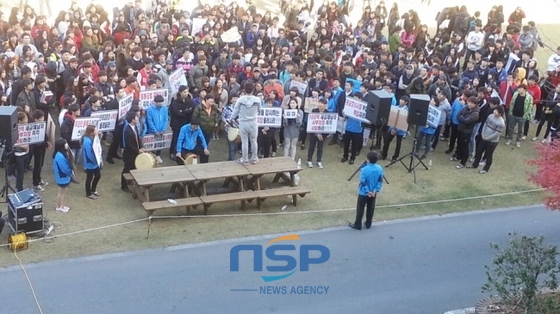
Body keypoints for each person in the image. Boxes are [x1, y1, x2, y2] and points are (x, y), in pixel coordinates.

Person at [348, 151, 384, 230]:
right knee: (370, 208)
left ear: (368, 159)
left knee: (360, 208)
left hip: (364, 193)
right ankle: (368, 223)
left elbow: (363, 182)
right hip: (373, 193)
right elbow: (380, 180)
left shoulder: (364, 169)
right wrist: (375, 191)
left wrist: (367, 191)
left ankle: (358, 224)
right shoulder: (380, 168)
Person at [229, 83, 261, 164]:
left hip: (243, 123)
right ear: (253, 90)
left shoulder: (240, 99)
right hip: (253, 122)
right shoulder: (257, 99)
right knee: (254, 141)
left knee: (245, 142)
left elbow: (235, 110)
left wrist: (231, 119)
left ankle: (245, 159)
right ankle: (254, 158)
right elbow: (260, 110)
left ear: (244, 90)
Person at [468, 105, 505, 173]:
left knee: (488, 155)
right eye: (495, 110)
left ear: (500, 114)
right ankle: (475, 164)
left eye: (496, 111)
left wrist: (488, 138)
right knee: (479, 151)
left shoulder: (501, 122)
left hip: (492, 141)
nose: (494, 112)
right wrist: (483, 134)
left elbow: (497, 133)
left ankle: (485, 169)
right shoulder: (490, 116)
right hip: (484, 137)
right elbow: (485, 124)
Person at [121, 111, 146, 192]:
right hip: (129, 154)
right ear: (132, 120)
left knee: (134, 168)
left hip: (135, 153)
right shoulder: (127, 130)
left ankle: (131, 182)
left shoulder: (134, 127)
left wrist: (141, 147)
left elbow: (138, 138)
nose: (138, 119)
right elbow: (128, 145)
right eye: (136, 117)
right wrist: (137, 150)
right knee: (127, 169)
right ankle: (124, 185)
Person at [169, 85, 194, 160]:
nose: (186, 93)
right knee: (176, 138)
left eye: (187, 92)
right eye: (184, 92)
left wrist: (183, 111)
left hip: (186, 123)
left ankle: (183, 152)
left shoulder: (190, 100)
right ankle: (173, 152)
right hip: (177, 123)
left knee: (185, 138)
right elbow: (176, 112)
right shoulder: (175, 101)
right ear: (180, 92)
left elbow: (192, 109)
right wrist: (186, 111)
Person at [455, 96, 480, 169]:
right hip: (460, 129)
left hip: (466, 132)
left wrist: (462, 118)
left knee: (465, 147)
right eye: (469, 102)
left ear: (475, 104)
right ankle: (458, 156)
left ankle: (463, 162)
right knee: (459, 144)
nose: (469, 104)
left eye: (471, 103)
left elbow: (467, 121)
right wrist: (462, 118)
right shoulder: (466, 108)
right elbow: (458, 115)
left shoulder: (475, 113)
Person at [382, 96, 409, 162]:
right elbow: (392, 119)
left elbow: (404, 122)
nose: (400, 101)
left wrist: (397, 130)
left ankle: (395, 157)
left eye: (402, 100)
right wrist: (392, 129)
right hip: (392, 129)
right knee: (386, 141)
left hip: (400, 130)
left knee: (398, 144)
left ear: (406, 102)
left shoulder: (407, 111)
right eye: (400, 99)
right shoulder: (395, 107)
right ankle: (384, 155)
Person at [146, 95, 169, 164]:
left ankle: (158, 155)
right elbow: (150, 121)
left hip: (161, 129)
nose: (160, 103)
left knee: (160, 143)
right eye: (158, 102)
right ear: (155, 102)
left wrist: (163, 129)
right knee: (152, 144)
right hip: (153, 131)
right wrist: (154, 131)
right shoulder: (150, 109)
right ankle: (153, 155)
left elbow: (166, 119)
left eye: (161, 102)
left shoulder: (164, 108)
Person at [306, 98, 329, 168]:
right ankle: (309, 160)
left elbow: (328, 125)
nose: (320, 105)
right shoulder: (314, 111)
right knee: (311, 146)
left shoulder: (328, 113)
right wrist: (316, 133)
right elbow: (312, 123)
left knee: (320, 147)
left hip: (323, 134)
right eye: (319, 103)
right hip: (314, 133)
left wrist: (322, 134)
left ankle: (319, 160)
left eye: (322, 103)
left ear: (325, 105)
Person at [31, 110, 50, 192]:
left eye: (43, 118)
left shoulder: (42, 125)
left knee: (41, 164)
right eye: (41, 118)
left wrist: (47, 143)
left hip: (42, 148)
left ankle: (39, 179)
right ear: (36, 119)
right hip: (37, 148)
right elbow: (37, 142)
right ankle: (35, 183)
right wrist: (46, 144)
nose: (42, 119)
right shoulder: (34, 127)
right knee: (37, 165)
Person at [53, 138, 73, 213]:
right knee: (61, 192)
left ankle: (61, 205)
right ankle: (58, 207)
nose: (67, 144)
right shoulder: (59, 156)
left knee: (63, 192)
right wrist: (71, 173)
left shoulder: (62, 153)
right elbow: (64, 169)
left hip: (64, 176)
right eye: (65, 143)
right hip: (62, 177)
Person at [82, 125, 102, 199]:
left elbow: (98, 149)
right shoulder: (87, 141)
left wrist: (100, 159)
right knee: (89, 178)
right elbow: (89, 154)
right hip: (90, 163)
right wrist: (96, 160)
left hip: (96, 162)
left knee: (98, 175)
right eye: (96, 130)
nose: (97, 131)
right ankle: (88, 193)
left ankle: (93, 189)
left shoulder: (94, 138)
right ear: (91, 132)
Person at [11, 112, 30, 191]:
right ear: (19, 121)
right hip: (19, 154)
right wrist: (23, 146)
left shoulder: (27, 127)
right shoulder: (14, 130)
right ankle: (19, 189)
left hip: (26, 153)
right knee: (20, 173)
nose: (27, 120)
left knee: (22, 172)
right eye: (25, 119)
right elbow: (13, 143)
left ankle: (18, 186)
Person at [60, 104, 82, 170]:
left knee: (76, 161)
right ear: (73, 112)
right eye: (78, 110)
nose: (79, 111)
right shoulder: (66, 122)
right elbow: (64, 135)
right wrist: (75, 139)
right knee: (71, 161)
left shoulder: (80, 119)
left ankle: (73, 171)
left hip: (79, 144)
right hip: (72, 145)